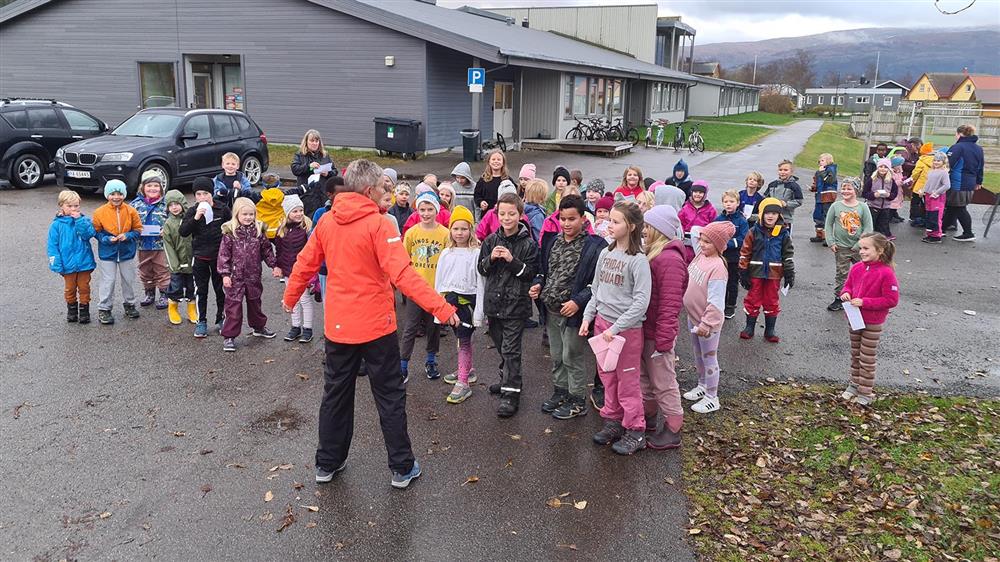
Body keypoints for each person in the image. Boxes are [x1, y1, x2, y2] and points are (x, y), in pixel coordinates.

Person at [281, 159, 458, 489]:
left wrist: (290, 297)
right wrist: (442, 308)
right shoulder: (381, 225)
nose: (386, 192)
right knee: (389, 397)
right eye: (382, 188)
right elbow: (404, 275)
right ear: (367, 190)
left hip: (339, 329)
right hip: (377, 329)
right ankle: (402, 467)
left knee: (335, 394)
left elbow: (305, 263)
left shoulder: (327, 222)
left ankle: (327, 463)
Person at [581, 201, 652, 456]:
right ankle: (613, 421)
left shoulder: (638, 261)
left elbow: (641, 302)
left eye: (615, 221)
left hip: (627, 333)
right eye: (609, 220)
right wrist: (589, 317)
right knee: (607, 376)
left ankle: (636, 430)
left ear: (631, 227)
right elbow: (596, 289)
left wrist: (617, 327)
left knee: (628, 383)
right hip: (602, 326)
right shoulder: (606, 253)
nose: (609, 225)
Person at [532, 195, 605, 420]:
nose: (566, 224)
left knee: (571, 355)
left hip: (574, 313)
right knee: (556, 355)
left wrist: (578, 301)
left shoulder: (595, 246)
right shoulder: (553, 241)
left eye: (572, 219)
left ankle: (577, 399)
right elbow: (545, 271)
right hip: (551, 310)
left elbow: (597, 283)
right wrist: (538, 284)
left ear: (583, 218)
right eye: (562, 219)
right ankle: (560, 391)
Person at [478, 192, 539, 418]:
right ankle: (507, 380)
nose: (506, 218)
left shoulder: (529, 244)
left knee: (512, 350)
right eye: (502, 214)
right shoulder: (490, 241)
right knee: (502, 346)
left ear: (520, 215)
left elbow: (529, 273)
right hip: (494, 305)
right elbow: (481, 270)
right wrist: (491, 259)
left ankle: (511, 394)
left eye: (511, 214)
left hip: (516, 306)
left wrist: (512, 261)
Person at [639, 204, 687, 449]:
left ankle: (672, 429)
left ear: (660, 230)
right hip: (646, 331)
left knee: (664, 382)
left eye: (648, 226)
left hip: (658, 335)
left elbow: (670, 305)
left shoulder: (669, 259)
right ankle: (649, 419)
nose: (644, 230)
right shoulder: (654, 254)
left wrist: (664, 341)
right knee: (645, 380)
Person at [839, 233, 899, 407]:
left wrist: (865, 302)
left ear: (879, 251)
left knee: (867, 357)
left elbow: (891, 300)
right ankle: (854, 384)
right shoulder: (857, 267)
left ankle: (865, 392)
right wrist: (846, 293)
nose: (861, 251)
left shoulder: (886, 273)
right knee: (855, 353)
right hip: (854, 318)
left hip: (872, 322)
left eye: (866, 248)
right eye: (860, 248)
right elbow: (847, 285)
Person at [681, 221, 735, 414]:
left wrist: (707, 323)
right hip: (694, 318)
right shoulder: (700, 255)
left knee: (709, 359)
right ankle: (702, 384)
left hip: (707, 324)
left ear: (719, 246)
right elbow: (695, 230)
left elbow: (716, 302)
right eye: (702, 240)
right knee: (698, 356)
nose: (702, 244)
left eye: (708, 242)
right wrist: (707, 232)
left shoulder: (718, 268)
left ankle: (712, 396)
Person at [435, 205, 485, 404]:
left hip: (468, 304)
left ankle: (463, 382)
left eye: (464, 228)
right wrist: (439, 310)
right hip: (450, 303)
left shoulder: (476, 253)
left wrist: (480, 312)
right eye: (456, 228)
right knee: (460, 339)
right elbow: (439, 282)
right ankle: (467, 369)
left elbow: (480, 283)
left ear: (471, 230)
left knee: (464, 340)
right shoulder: (446, 253)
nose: (460, 233)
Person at [400, 191, 450, 380]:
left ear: (436, 210)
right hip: (416, 290)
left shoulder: (444, 234)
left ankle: (431, 360)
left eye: (430, 209)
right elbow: (404, 259)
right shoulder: (412, 233)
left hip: (436, 290)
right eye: (423, 209)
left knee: (433, 328)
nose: (426, 213)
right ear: (417, 211)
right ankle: (403, 365)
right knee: (410, 328)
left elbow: (449, 261)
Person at [217, 197, 279, 351]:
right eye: (244, 214)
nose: (248, 217)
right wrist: (225, 274)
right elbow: (223, 255)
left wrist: (274, 265)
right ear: (237, 214)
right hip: (234, 277)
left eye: (251, 214)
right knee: (233, 307)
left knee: (255, 302)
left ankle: (258, 327)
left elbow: (266, 250)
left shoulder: (258, 232)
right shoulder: (230, 233)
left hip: (253, 275)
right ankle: (229, 336)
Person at [179, 177, 232, 338]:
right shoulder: (191, 211)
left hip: (219, 258)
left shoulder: (222, 209)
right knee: (201, 291)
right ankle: (201, 320)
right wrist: (196, 217)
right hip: (200, 257)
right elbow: (183, 232)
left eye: (206, 193)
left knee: (220, 290)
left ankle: (221, 318)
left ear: (212, 193)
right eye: (199, 194)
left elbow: (231, 229)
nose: (202, 197)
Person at [738, 197, 794, 343]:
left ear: (779, 216)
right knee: (753, 298)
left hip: (774, 274)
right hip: (755, 272)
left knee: (772, 300)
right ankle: (749, 327)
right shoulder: (753, 231)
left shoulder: (783, 233)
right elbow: (745, 252)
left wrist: (789, 273)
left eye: (774, 214)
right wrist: (743, 271)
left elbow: (787, 254)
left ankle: (770, 330)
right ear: (762, 214)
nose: (770, 216)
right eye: (768, 213)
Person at [92, 179, 143, 325]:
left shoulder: (131, 211)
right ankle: (104, 308)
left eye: (119, 193)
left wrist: (128, 236)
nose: (116, 197)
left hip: (126, 252)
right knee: (108, 281)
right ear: (107, 195)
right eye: (112, 194)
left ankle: (130, 304)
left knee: (129, 279)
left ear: (124, 195)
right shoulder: (99, 212)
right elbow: (96, 232)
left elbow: (138, 230)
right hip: (107, 253)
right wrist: (107, 239)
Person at [47, 190, 96, 324]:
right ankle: (72, 310)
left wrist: (79, 220)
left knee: (84, 287)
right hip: (67, 264)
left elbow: (89, 234)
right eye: (69, 206)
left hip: (84, 262)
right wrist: (56, 264)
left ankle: (84, 311)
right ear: (61, 206)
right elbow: (52, 246)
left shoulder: (84, 220)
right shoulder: (56, 225)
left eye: (76, 206)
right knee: (70, 289)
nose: (73, 209)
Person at [824, 178, 873, 311]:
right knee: (842, 273)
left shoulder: (863, 207)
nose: (845, 191)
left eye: (849, 188)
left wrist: (859, 244)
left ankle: (862, 297)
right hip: (841, 247)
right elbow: (828, 225)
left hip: (860, 248)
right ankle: (839, 298)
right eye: (844, 188)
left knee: (862, 272)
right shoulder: (836, 206)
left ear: (856, 190)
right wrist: (830, 241)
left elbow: (868, 228)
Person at [273, 195, 315, 343]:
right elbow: (279, 250)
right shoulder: (281, 230)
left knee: (304, 299)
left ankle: (307, 328)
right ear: (287, 213)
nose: (298, 214)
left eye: (300, 210)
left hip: (302, 271)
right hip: (287, 269)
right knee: (291, 299)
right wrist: (277, 266)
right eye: (295, 211)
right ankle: (295, 327)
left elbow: (312, 252)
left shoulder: (307, 229)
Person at [128, 172, 171, 309]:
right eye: (149, 185)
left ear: (161, 188)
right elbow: (129, 222)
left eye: (156, 186)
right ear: (143, 187)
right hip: (142, 244)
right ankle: (149, 292)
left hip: (161, 244)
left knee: (162, 268)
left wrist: (167, 230)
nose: (152, 189)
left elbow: (174, 220)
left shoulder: (166, 204)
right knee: (145, 269)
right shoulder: (135, 205)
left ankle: (164, 294)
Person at [161, 189, 197, 325]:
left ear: (182, 204)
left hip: (192, 262)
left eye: (177, 204)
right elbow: (168, 247)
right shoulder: (169, 225)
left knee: (192, 287)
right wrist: (174, 265)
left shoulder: (190, 220)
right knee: (176, 287)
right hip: (176, 265)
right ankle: (173, 308)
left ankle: (192, 310)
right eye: (171, 205)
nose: (174, 207)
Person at [944, 124, 985, 242]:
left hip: (958, 182)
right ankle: (941, 229)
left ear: (959, 134)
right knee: (952, 206)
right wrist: (979, 181)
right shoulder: (978, 148)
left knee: (959, 207)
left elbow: (948, 164)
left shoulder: (957, 147)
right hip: (970, 182)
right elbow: (980, 166)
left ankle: (968, 232)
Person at [713, 189, 749, 319]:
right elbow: (714, 233)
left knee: (732, 282)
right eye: (726, 201)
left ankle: (730, 306)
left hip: (734, 258)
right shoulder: (719, 219)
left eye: (732, 201)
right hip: (720, 257)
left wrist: (726, 243)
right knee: (719, 282)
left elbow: (743, 239)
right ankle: (719, 304)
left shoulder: (742, 221)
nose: (728, 204)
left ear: (738, 203)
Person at [679, 180, 717, 262]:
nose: (697, 194)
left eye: (700, 192)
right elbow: (679, 223)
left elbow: (713, 226)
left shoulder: (710, 210)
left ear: (705, 194)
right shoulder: (685, 208)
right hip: (687, 244)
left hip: (702, 243)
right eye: (695, 192)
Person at [863, 158, 899, 240]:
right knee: (872, 222)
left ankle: (884, 235)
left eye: (885, 167)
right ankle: (869, 236)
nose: (883, 169)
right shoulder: (872, 179)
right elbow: (865, 193)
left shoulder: (891, 181)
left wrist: (888, 195)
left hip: (885, 206)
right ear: (877, 168)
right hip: (873, 205)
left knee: (884, 222)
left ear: (889, 169)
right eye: (881, 166)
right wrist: (874, 195)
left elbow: (894, 193)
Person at [921, 152, 951, 244]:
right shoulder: (931, 171)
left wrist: (937, 192)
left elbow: (947, 185)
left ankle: (936, 235)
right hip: (928, 196)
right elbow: (928, 183)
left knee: (936, 216)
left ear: (943, 162)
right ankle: (930, 233)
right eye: (935, 160)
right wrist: (923, 190)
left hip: (937, 198)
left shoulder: (944, 173)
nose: (936, 162)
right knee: (929, 215)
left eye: (939, 161)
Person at [763, 160, 803, 228]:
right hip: (771, 218)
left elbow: (799, 201)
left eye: (785, 170)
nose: (782, 172)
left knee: (784, 237)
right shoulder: (772, 185)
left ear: (791, 172)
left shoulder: (794, 186)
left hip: (786, 218)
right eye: (780, 170)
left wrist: (786, 204)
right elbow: (765, 198)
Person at [810, 153, 838, 244]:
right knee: (818, 215)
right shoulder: (819, 170)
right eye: (819, 161)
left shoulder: (831, 169)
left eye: (822, 160)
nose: (820, 162)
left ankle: (827, 237)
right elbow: (816, 181)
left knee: (827, 215)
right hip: (819, 196)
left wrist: (822, 172)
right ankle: (819, 235)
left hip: (828, 195)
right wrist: (813, 187)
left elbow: (830, 180)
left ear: (829, 161)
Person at [473, 149, 510, 218]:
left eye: (499, 159)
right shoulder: (483, 180)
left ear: (503, 163)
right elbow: (477, 195)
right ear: (489, 162)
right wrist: (481, 202)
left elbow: (513, 196)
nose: (496, 161)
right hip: (486, 215)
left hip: (503, 215)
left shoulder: (507, 180)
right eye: (493, 159)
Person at [907, 142, 934, 228]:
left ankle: (915, 217)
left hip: (920, 186)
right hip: (930, 186)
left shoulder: (921, 160)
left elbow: (916, 172)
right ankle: (926, 217)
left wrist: (911, 180)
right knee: (927, 202)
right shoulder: (935, 160)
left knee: (915, 202)